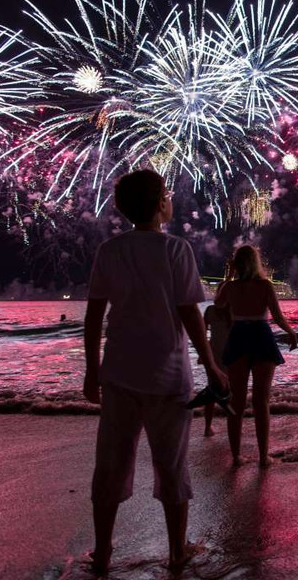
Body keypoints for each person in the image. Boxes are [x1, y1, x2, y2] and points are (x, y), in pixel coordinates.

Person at [83, 169, 228, 572]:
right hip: (168, 375)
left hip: (119, 373)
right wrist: (211, 364)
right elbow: (190, 314)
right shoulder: (176, 249)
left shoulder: (110, 250)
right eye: (167, 193)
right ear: (160, 203)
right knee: (172, 464)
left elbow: (94, 317)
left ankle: (103, 552)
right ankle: (177, 551)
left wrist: (91, 370)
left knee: (111, 464)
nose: (171, 198)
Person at [214, 245, 298, 467]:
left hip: (239, 336)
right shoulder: (265, 286)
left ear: (237, 264)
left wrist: (228, 276)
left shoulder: (230, 287)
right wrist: (291, 332)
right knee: (262, 401)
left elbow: (217, 303)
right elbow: (278, 317)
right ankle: (263, 457)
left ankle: (236, 456)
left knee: (237, 401)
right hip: (261, 336)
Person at [201, 305, 231, 437]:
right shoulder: (234, 309)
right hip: (231, 352)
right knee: (231, 390)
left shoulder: (210, 310)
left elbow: (201, 332)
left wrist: (203, 352)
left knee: (212, 389)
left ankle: (208, 426)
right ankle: (233, 425)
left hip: (214, 353)